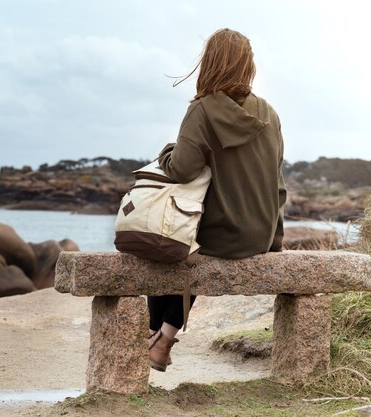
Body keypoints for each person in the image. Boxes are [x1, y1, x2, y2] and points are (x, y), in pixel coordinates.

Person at [148, 28, 287, 372]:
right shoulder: (269, 114)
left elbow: (181, 169)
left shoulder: (203, 110)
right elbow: (277, 185)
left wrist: (167, 152)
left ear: (209, 63)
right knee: (189, 246)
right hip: (260, 235)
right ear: (247, 66)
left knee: (163, 244)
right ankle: (159, 340)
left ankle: (158, 336)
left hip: (219, 234)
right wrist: (275, 241)